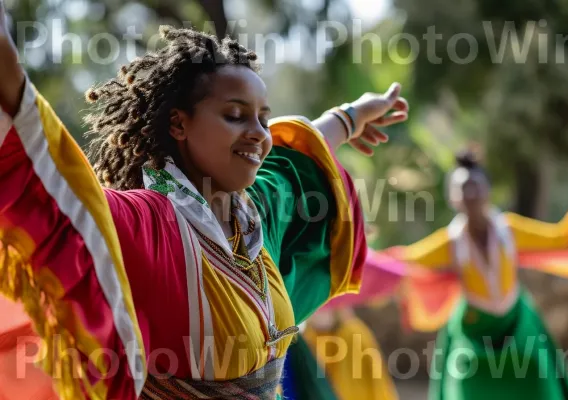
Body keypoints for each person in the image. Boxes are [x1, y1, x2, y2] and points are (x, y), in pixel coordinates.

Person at [0, 2, 409, 399]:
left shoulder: (253, 215)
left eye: (263, 119)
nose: (259, 133)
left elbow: (292, 164)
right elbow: (54, 184)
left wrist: (352, 116)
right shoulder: (148, 225)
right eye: (235, 115)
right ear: (179, 123)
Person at [384, 150, 568, 400]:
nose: (470, 195)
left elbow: (558, 238)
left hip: (516, 323)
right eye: (462, 189)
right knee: (466, 384)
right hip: (475, 332)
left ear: (487, 189)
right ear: (452, 198)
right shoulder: (450, 243)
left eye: (475, 186)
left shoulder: (509, 229)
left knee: (538, 379)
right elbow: (406, 262)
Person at [279, 250, 404, 400]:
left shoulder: (353, 333)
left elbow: (367, 385)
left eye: (322, 307)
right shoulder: (306, 337)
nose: (317, 311)